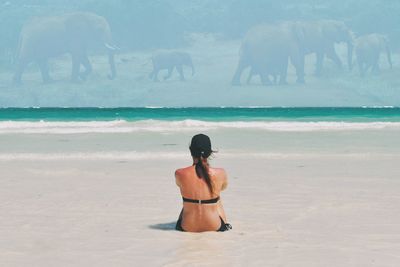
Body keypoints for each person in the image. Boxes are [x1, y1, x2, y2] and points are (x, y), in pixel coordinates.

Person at [175, 134, 232, 232]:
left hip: (187, 226)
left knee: (189, 198)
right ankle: (225, 225)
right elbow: (223, 188)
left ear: (191, 151)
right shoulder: (220, 173)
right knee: (217, 197)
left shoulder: (179, 173)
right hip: (214, 225)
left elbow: (180, 186)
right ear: (209, 153)